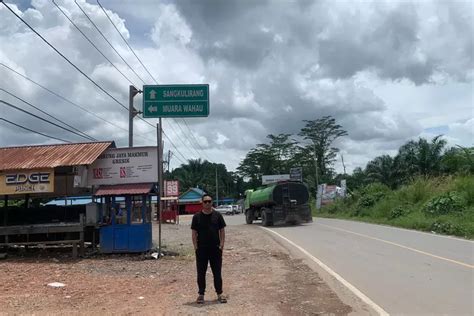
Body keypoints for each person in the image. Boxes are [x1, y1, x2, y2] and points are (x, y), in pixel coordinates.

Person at [191, 194, 227, 304]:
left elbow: (222, 231)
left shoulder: (218, 215)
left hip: (215, 249)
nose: (207, 203)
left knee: (217, 272)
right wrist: (196, 247)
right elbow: (194, 233)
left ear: (212, 202)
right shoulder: (196, 217)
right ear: (202, 203)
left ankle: (220, 293)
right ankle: (201, 294)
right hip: (201, 249)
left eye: (209, 201)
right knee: (201, 272)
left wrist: (221, 244)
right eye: (205, 201)